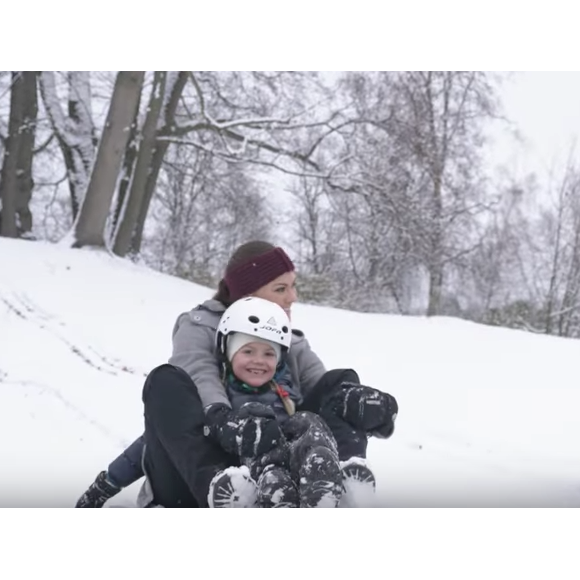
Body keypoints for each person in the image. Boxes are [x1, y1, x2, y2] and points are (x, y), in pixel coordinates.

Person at [75, 241, 398, 509]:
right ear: (247, 294)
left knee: (342, 384)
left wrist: (363, 407)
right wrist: (224, 420)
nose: (293, 297)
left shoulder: (291, 340)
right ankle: (225, 492)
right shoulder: (199, 327)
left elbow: (324, 386)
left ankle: (341, 484)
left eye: (293, 286)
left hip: (280, 467)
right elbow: (198, 379)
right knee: (166, 382)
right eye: (281, 288)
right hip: (199, 473)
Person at [206, 296, 345, 509]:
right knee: (258, 420)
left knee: (307, 419)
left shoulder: (283, 389)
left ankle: (321, 478)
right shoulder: (222, 390)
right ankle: (278, 493)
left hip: (291, 455)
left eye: (269, 353)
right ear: (228, 352)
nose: (259, 360)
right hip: (253, 464)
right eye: (248, 351)